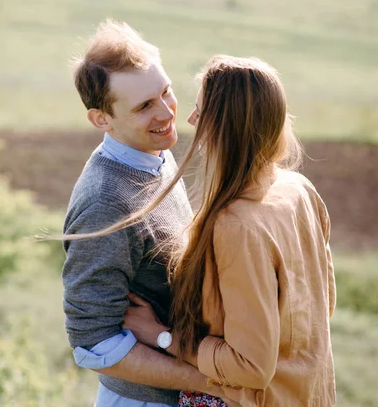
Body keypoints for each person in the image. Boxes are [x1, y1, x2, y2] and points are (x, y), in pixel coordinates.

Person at [108, 55, 336, 406]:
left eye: (201, 110)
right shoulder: (299, 189)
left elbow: (250, 367)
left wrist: (161, 336)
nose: (189, 119)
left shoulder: (236, 226)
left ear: (224, 126)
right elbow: (323, 304)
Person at [62, 21, 225, 407]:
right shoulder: (106, 203)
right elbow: (92, 343)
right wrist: (210, 381)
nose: (168, 112)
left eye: (165, 92)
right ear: (102, 119)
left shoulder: (155, 152)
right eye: (144, 106)